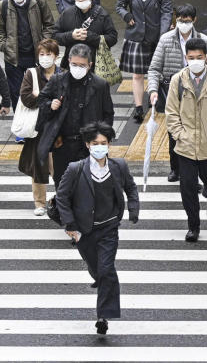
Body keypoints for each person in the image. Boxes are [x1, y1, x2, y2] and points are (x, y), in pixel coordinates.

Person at [55, 122, 139, 336]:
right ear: (87, 145)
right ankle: (98, 278)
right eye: (95, 143)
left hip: (109, 228)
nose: (100, 146)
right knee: (96, 268)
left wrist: (133, 208)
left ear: (109, 144)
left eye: (103, 143)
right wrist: (70, 225)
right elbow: (62, 197)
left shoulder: (119, 166)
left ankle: (103, 315)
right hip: (84, 231)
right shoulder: (76, 169)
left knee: (106, 269)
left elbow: (130, 187)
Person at [165, 38, 207, 243]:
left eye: (199, 58)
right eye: (191, 58)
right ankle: (193, 225)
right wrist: (179, 135)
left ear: (206, 58)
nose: (195, 61)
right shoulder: (178, 80)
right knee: (187, 187)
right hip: (185, 147)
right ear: (186, 58)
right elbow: (171, 112)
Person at [147, 4, 207, 183]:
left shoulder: (204, 40)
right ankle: (175, 168)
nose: (183, 24)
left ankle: (193, 173)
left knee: (196, 133)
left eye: (186, 21)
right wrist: (153, 90)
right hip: (173, 92)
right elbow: (154, 68)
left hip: (198, 94)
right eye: (179, 20)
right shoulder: (166, 40)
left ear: (194, 20)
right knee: (174, 132)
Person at [36, 44, 114, 190]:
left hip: (88, 145)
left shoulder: (100, 85)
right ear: (69, 61)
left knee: (89, 185)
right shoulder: (57, 80)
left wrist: (102, 139)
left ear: (89, 65)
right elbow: (41, 100)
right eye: (74, 64)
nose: (77, 68)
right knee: (63, 185)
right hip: (63, 143)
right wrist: (50, 104)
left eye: (82, 65)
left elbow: (108, 114)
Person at [115, 0, 173, 123]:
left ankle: (154, 98)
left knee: (157, 72)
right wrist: (127, 15)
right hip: (136, 37)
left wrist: (163, 34)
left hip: (156, 37)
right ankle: (139, 107)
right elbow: (119, 6)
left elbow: (167, 11)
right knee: (137, 74)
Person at [16, 39, 59, 214]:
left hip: (57, 129)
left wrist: (39, 96)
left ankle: (60, 199)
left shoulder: (62, 74)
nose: (45, 58)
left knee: (59, 167)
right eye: (42, 54)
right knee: (38, 167)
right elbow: (26, 97)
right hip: (37, 128)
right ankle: (39, 203)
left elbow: (66, 99)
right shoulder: (31, 74)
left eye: (49, 54)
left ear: (56, 56)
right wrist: (47, 101)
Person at [0, 0, 55, 104]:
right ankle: (20, 121)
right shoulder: (3, 5)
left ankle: (38, 121)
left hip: (35, 56)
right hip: (14, 59)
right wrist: (5, 46)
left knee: (39, 92)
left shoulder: (38, 1)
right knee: (16, 95)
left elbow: (50, 24)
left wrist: (43, 43)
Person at [53, 0, 119, 72]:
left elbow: (112, 38)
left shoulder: (102, 15)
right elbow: (55, 36)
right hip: (71, 66)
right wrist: (71, 35)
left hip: (96, 68)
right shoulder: (67, 14)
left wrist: (90, 37)